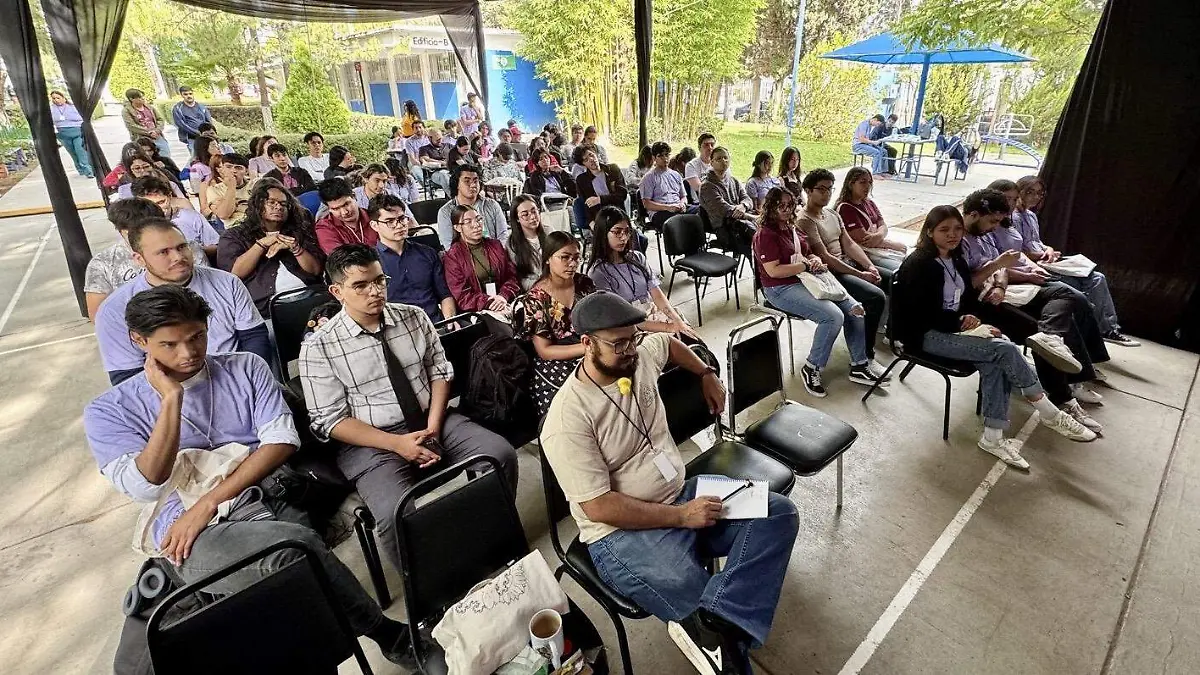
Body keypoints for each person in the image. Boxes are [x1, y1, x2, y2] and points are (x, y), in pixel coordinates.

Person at [84, 285, 417, 667]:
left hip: (265, 494)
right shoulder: (109, 410)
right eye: (169, 345)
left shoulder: (244, 367)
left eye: (197, 337)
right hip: (188, 530)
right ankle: (389, 636)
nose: (189, 352)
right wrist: (171, 401)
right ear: (139, 341)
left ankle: (372, 644)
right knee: (294, 554)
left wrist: (210, 501)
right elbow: (146, 484)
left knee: (295, 578)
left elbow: (282, 442)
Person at [540, 291, 798, 675]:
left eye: (633, 338)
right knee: (710, 622)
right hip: (620, 535)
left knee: (778, 513)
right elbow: (599, 507)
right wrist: (681, 516)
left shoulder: (638, 357)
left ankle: (717, 622)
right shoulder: (567, 419)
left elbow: (668, 343)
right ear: (586, 343)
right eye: (617, 344)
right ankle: (722, 637)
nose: (630, 350)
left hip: (681, 494)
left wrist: (706, 373)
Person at [298, 244, 518, 567]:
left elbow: (440, 372)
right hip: (373, 441)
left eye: (379, 280)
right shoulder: (319, 347)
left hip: (431, 418)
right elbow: (329, 421)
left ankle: (491, 541)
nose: (375, 291)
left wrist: (433, 426)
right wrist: (397, 444)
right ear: (337, 291)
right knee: (393, 513)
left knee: (500, 455)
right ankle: (431, 580)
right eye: (360, 285)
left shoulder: (413, 317)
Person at [890, 206, 1098, 467]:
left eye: (957, 229)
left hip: (952, 328)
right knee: (1004, 350)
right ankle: (1048, 411)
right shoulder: (919, 264)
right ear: (930, 232)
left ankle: (992, 438)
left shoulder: (956, 259)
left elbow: (967, 299)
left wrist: (977, 322)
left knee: (996, 360)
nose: (952, 234)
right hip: (923, 335)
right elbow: (919, 315)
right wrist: (959, 322)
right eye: (944, 230)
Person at [959, 189, 1110, 420]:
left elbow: (1001, 268)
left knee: (1066, 300)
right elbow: (966, 285)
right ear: (973, 215)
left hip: (1001, 293)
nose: (995, 227)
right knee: (1040, 331)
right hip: (980, 305)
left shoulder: (985, 235)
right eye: (992, 221)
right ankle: (1063, 397)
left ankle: (1063, 364)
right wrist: (1001, 269)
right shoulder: (958, 240)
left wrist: (1000, 285)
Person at [95, 217, 271, 384]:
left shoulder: (227, 282)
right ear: (139, 259)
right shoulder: (115, 309)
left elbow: (254, 336)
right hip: (169, 392)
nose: (178, 257)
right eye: (164, 252)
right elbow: (126, 377)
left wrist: (249, 380)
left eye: (181, 247)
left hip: (236, 378)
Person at [753, 187, 883, 396]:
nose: (786, 209)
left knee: (856, 310)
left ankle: (859, 365)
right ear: (770, 207)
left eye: (790, 205)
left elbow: (809, 252)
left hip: (808, 279)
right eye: (780, 205)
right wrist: (805, 265)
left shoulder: (792, 228)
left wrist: (814, 260)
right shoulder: (766, 234)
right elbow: (774, 271)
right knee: (833, 317)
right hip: (779, 288)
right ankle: (812, 367)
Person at [1008, 176, 1139, 347]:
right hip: (1034, 266)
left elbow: (1037, 242)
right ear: (1020, 192)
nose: (1035, 197)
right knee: (1080, 285)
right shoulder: (1013, 218)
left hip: (1046, 261)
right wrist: (1041, 256)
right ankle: (1092, 334)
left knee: (1097, 277)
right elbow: (1018, 252)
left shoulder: (1031, 216)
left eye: (1039, 193)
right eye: (1030, 192)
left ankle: (1107, 329)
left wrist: (1048, 249)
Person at [800, 168, 891, 374]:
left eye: (830, 189)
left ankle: (891, 333)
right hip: (831, 273)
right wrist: (860, 274)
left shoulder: (832, 214)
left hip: (848, 264)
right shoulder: (805, 220)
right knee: (875, 297)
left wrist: (869, 266)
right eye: (821, 189)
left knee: (894, 278)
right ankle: (866, 355)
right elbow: (825, 257)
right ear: (808, 191)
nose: (826, 194)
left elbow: (849, 244)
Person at [85, 199, 210, 320]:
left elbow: (207, 286)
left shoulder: (189, 248)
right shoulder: (103, 263)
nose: (177, 256)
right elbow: (99, 315)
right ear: (123, 232)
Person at [216, 179, 325, 315]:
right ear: (258, 204)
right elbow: (234, 273)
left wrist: (295, 248)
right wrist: (261, 244)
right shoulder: (235, 235)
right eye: (271, 202)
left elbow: (315, 270)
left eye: (283, 204)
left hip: (311, 296)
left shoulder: (298, 230)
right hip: (268, 306)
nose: (278, 207)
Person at [588, 206, 698, 340]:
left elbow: (657, 294)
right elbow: (619, 317)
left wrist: (677, 321)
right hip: (628, 327)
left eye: (627, 231)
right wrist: (668, 327)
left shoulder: (637, 257)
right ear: (603, 233)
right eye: (617, 232)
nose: (624, 238)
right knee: (677, 339)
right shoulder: (598, 273)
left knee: (689, 335)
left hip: (650, 313)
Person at [516, 232, 596, 415]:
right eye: (565, 257)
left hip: (590, 347)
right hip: (557, 360)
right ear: (547, 259)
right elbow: (545, 351)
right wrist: (587, 348)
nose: (572, 263)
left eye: (576, 257)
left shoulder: (584, 284)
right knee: (572, 408)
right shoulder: (536, 299)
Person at [368, 194, 455, 322]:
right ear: (374, 225)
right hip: (397, 328)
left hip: (435, 323)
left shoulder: (427, 253)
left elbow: (445, 295)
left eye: (402, 218)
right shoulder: (370, 263)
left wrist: (450, 321)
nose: (399, 225)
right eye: (390, 221)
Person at [443, 203, 522, 315]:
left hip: (505, 301)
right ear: (457, 228)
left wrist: (503, 296)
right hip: (478, 311)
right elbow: (462, 296)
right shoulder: (453, 256)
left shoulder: (495, 245)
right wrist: (489, 302)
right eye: (468, 222)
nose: (476, 225)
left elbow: (512, 277)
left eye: (478, 219)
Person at [835, 167, 907, 275]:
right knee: (901, 269)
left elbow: (882, 224)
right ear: (851, 184)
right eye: (862, 182)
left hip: (879, 247)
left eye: (869, 182)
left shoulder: (869, 203)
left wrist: (879, 235)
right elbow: (866, 240)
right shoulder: (846, 209)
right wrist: (895, 245)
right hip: (865, 254)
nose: (867, 186)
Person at [131, 176, 220, 261]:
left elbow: (216, 246)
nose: (158, 209)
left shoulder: (191, 217)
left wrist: (194, 250)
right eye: (150, 205)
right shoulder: (137, 227)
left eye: (161, 202)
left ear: (170, 196)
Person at [700, 146, 756, 259]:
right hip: (725, 228)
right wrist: (752, 217)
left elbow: (747, 199)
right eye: (719, 159)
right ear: (711, 162)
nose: (723, 161)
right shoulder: (707, 186)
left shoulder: (733, 180)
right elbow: (724, 210)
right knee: (756, 243)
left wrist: (743, 206)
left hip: (741, 222)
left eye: (726, 158)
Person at [436, 164, 509, 247]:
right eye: (467, 181)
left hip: (494, 251)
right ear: (457, 184)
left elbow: (503, 235)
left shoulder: (492, 205)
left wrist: (498, 252)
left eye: (475, 181)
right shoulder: (446, 212)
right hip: (463, 254)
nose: (473, 185)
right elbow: (449, 245)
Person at [641, 142, 697, 231]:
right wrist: (668, 207)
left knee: (701, 210)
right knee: (678, 220)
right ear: (654, 158)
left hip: (678, 208)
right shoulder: (648, 177)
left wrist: (682, 204)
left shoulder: (676, 175)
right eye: (660, 156)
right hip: (660, 212)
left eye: (667, 155)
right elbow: (647, 204)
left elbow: (683, 197)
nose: (665, 158)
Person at [314, 178, 377, 254]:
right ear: (329, 208)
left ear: (354, 196)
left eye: (346, 204)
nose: (344, 212)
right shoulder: (325, 227)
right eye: (336, 209)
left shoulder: (375, 216)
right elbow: (340, 258)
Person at [574, 145, 628, 227]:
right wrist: (591, 223)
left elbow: (622, 195)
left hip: (618, 214)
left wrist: (599, 199)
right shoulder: (582, 180)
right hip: (599, 218)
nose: (591, 159)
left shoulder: (613, 169)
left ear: (595, 153)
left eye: (591, 155)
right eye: (586, 160)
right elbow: (586, 205)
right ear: (583, 164)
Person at [507, 195, 548, 291]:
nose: (533, 217)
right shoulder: (512, 244)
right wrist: (540, 285)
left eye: (534, 211)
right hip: (531, 290)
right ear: (517, 219)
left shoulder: (550, 233)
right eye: (525, 214)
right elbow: (518, 278)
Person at [49, 90, 94, 178]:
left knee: (80, 151)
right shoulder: (51, 109)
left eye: (58, 98)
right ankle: (80, 169)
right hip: (63, 134)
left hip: (77, 132)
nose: (56, 100)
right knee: (73, 153)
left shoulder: (73, 107)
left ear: (64, 98)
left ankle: (88, 171)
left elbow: (82, 117)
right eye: (53, 98)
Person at [206, 153, 253, 227]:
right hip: (235, 228)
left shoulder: (254, 185)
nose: (233, 171)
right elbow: (223, 214)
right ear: (222, 169)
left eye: (238, 168)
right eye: (228, 167)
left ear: (246, 171)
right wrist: (231, 187)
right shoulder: (214, 190)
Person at [115, 152, 186, 201]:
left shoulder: (170, 184)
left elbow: (183, 204)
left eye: (146, 166)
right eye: (137, 168)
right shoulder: (124, 190)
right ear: (131, 171)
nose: (142, 170)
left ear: (152, 167)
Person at [121, 89, 170, 157]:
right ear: (132, 99)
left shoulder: (150, 107)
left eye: (143, 96)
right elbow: (131, 125)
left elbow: (160, 119)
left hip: (157, 136)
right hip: (141, 139)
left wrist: (157, 130)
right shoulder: (126, 111)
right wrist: (149, 132)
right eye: (140, 97)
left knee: (165, 155)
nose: (142, 98)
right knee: (148, 158)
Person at [171, 86, 214, 155]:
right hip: (191, 138)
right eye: (185, 94)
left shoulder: (201, 106)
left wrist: (208, 132)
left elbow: (208, 120)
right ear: (181, 95)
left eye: (190, 94)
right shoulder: (178, 108)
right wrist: (197, 133)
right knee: (196, 156)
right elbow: (181, 124)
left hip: (205, 137)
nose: (189, 96)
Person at [417, 128, 452, 193]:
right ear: (429, 138)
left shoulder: (448, 146)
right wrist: (442, 162)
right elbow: (424, 159)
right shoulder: (424, 149)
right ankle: (453, 197)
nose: (440, 141)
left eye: (441, 138)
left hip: (451, 170)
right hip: (435, 173)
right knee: (443, 175)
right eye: (437, 140)